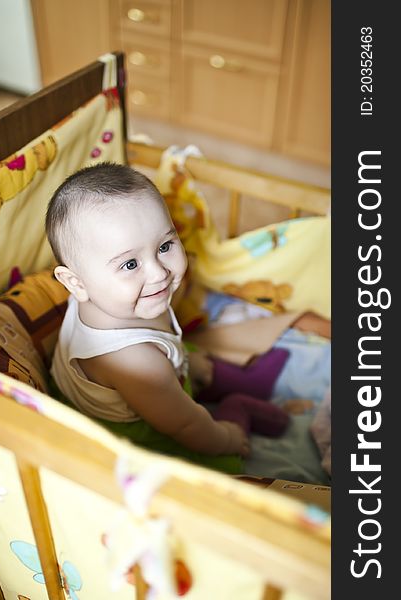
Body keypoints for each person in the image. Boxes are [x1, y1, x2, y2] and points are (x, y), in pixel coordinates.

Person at [46, 163, 289, 474]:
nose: (159, 273)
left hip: (159, 387)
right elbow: (188, 425)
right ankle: (239, 406)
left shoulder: (103, 293)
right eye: (130, 264)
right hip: (142, 436)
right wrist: (227, 437)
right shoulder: (134, 361)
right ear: (76, 283)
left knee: (195, 359)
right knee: (222, 466)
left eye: (164, 246)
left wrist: (181, 364)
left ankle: (232, 378)